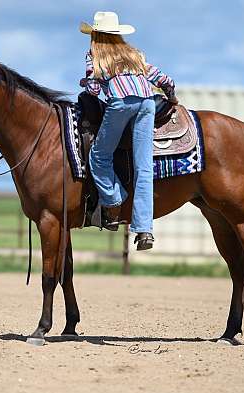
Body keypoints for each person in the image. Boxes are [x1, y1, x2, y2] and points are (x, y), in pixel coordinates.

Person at [79, 11, 177, 250]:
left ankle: (113, 202)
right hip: (146, 103)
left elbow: (92, 91)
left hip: (121, 103)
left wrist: (87, 82)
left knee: (99, 156)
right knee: (143, 167)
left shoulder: (95, 55)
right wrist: (172, 97)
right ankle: (145, 231)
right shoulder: (135, 54)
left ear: (95, 34)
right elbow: (164, 79)